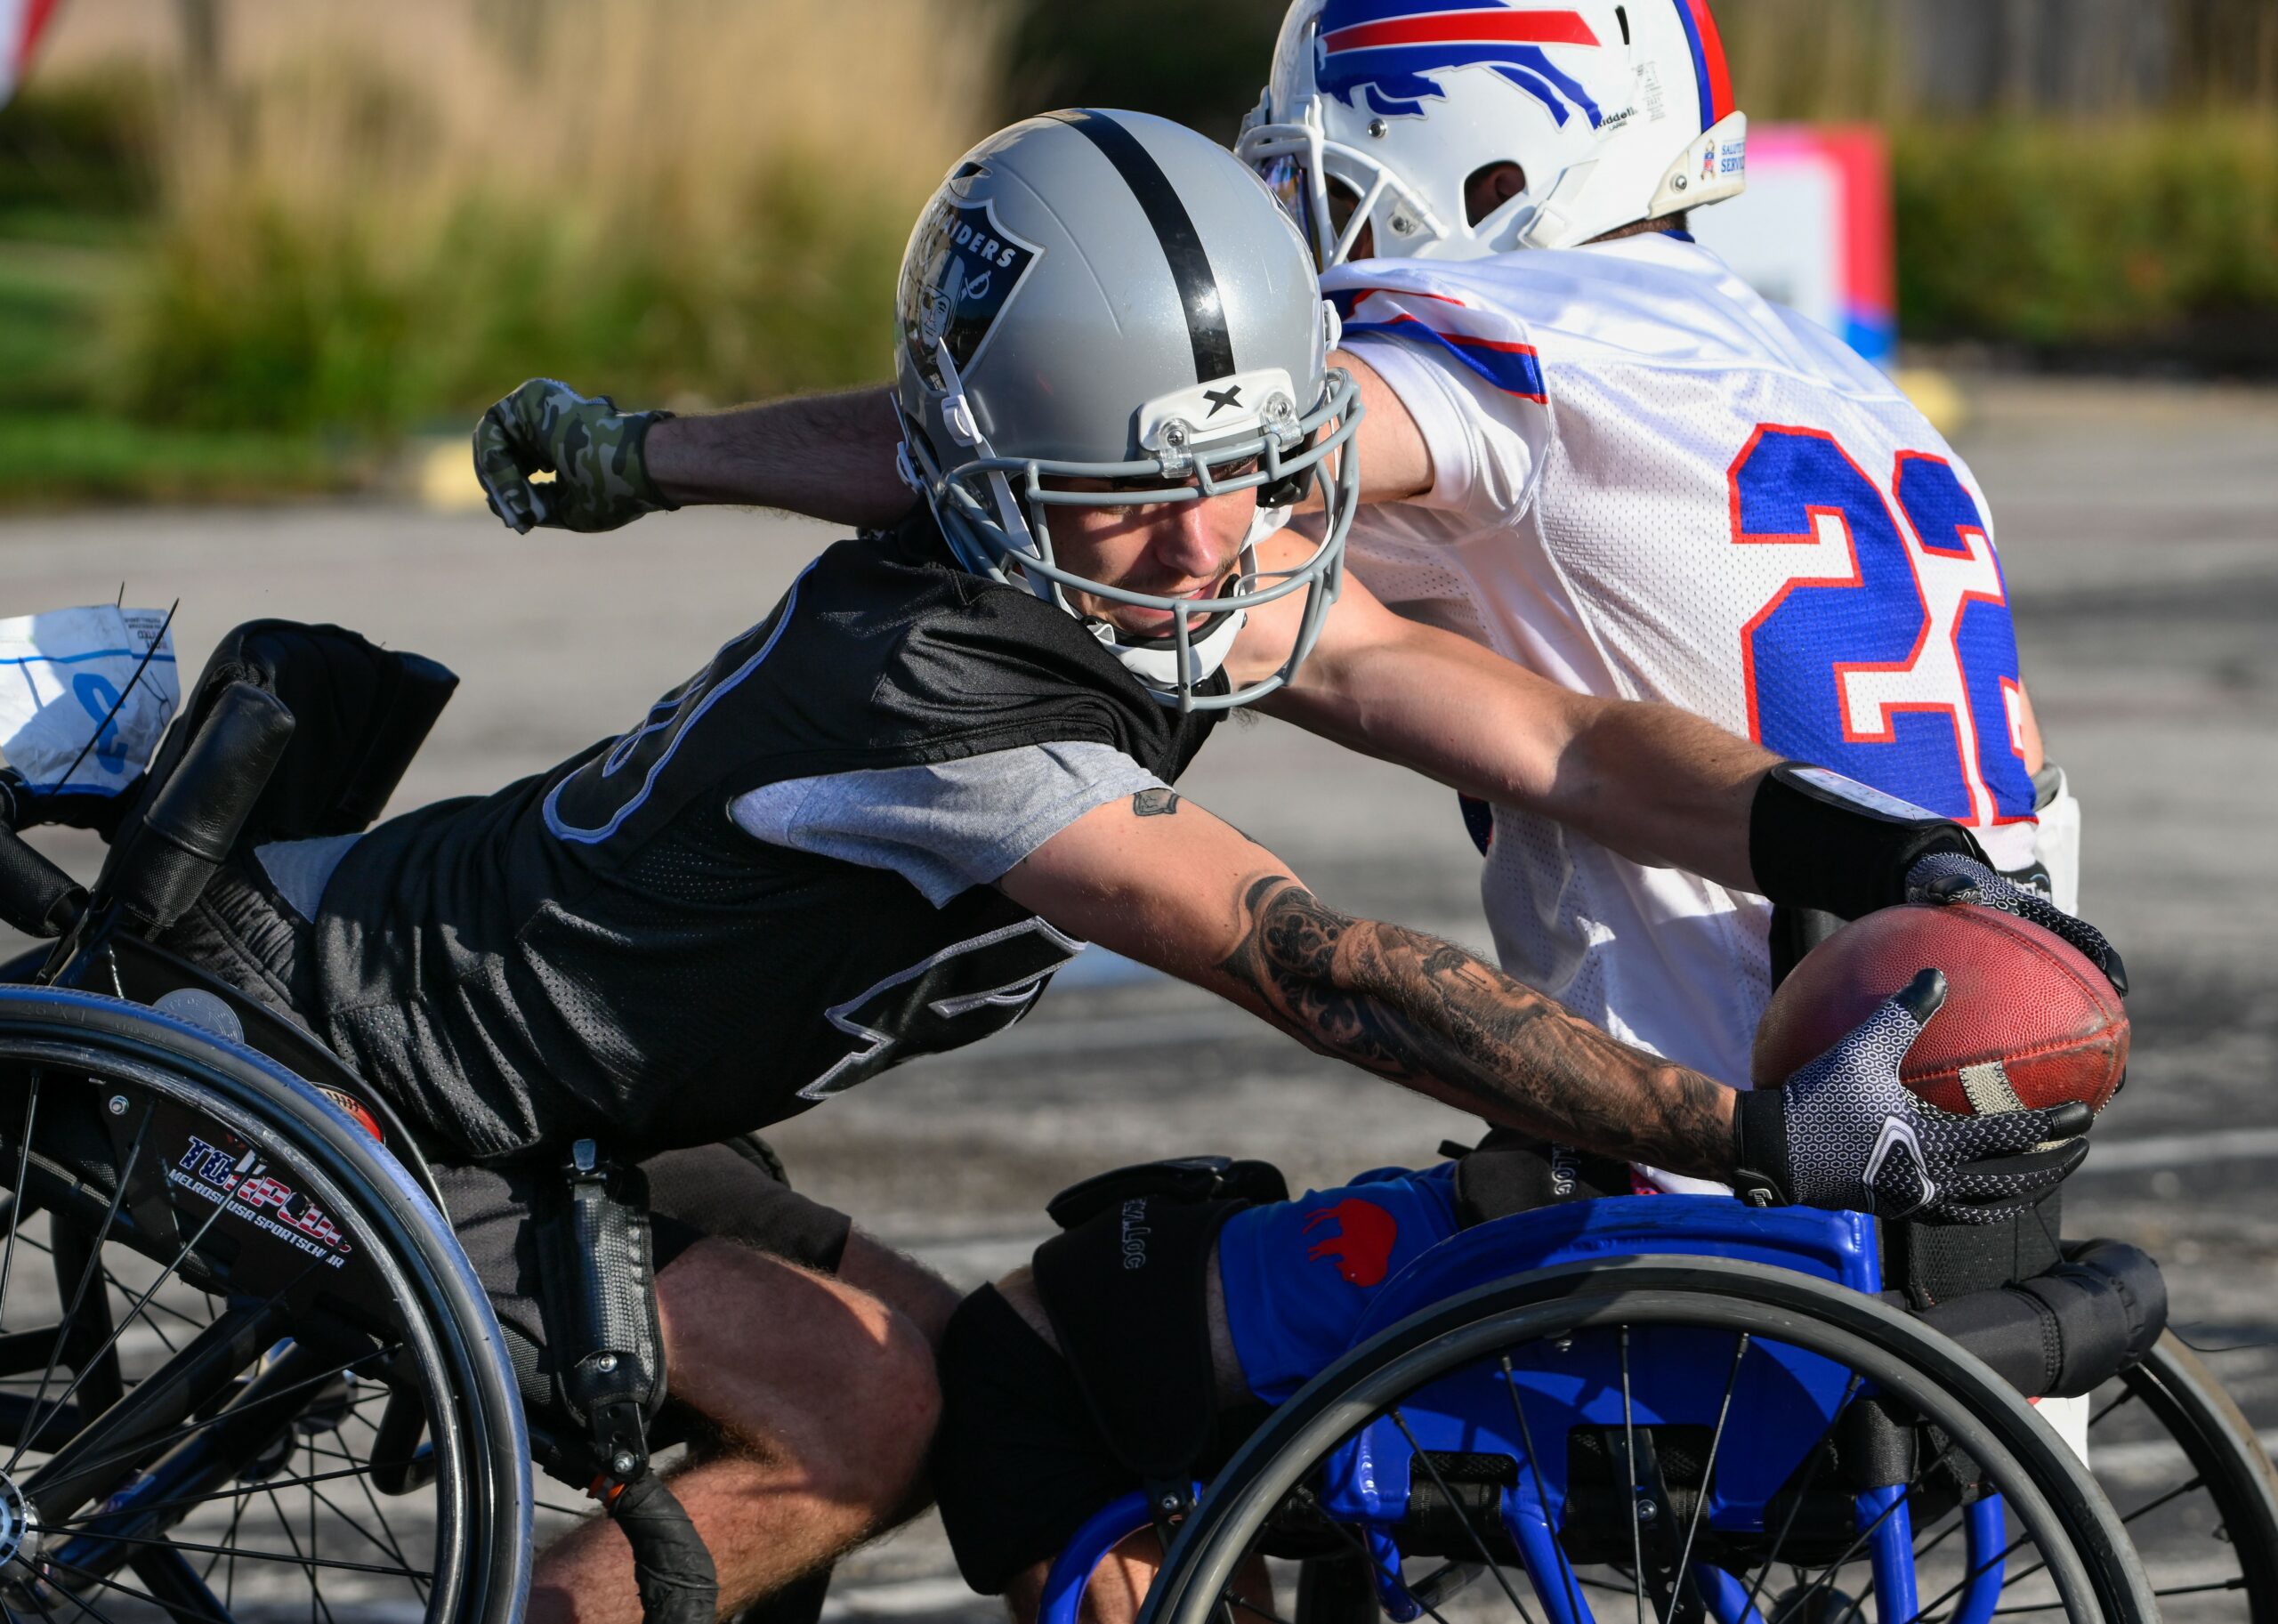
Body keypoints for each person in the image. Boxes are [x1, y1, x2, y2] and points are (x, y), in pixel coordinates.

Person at [453, 102, 2119, 1620]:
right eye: (1145, 485)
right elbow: (1327, 948)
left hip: (1715, 1231)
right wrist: (1883, 940)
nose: (1213, 539)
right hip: (468, 1089)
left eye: (1247, 477)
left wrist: (1891, 859)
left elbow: (1534, 761)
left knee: (1015, 1393)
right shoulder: (1782, 350)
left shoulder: (1271, 485)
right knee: (903, 1394)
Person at [473, 0, 2094, 1151]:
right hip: (1970, 1101)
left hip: (1714, 1132)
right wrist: (1902, 856)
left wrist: (659, 452)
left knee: (1064, 1379)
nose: (1302, 212)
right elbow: (1545, 732)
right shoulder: (1825, 375)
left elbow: (1080, 436)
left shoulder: (1500, 351)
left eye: (1319, 160)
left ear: (1470, 149)